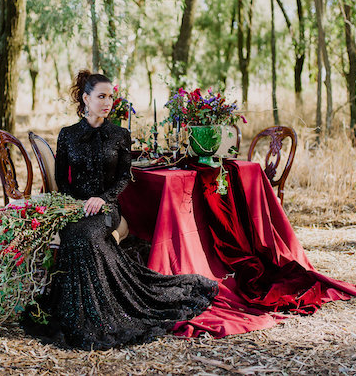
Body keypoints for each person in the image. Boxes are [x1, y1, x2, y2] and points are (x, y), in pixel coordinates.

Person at [22, 70, 218, 350]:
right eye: (101, 96)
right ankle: (79, 311)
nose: (108, 102)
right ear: (85, 98)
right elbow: (63, 180)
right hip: (74, 209)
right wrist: (74, 205)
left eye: (110, 96)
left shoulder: (120, 134)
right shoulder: (67, 135)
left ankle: (106, 311)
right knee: (76, 233)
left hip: (107, 208)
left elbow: (124, 177)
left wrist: (102, 200)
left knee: (89, 235)